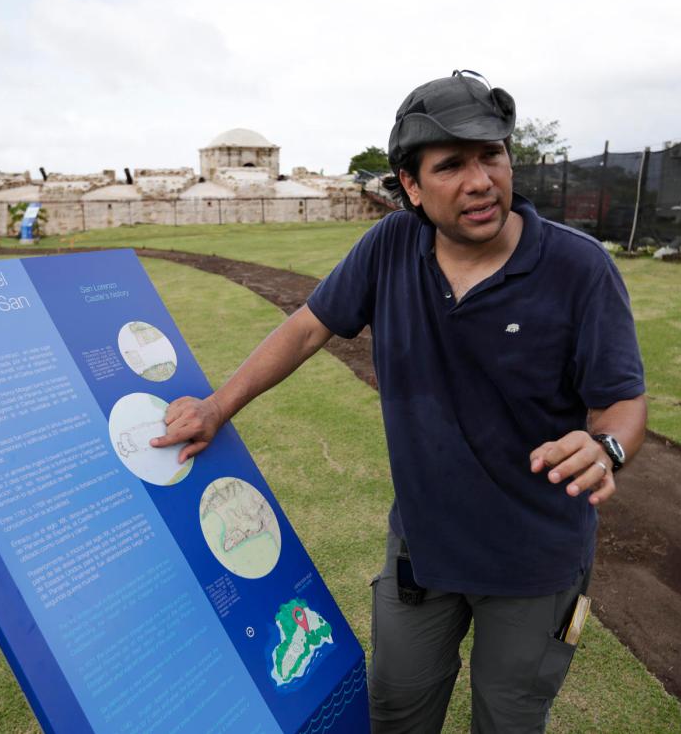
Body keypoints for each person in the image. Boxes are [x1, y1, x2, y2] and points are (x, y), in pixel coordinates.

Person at [152, 69, 647, 733]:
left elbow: (623, 404)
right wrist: (217, 405)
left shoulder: (578, 269)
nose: (480, 180)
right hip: (423, 554)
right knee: (395, 709)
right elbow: (306, 328)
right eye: (451, 165)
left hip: (537, 564)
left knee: (509, 718)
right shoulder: (390, 247)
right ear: (411, 187)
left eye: (491, 155)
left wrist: (605, 446)